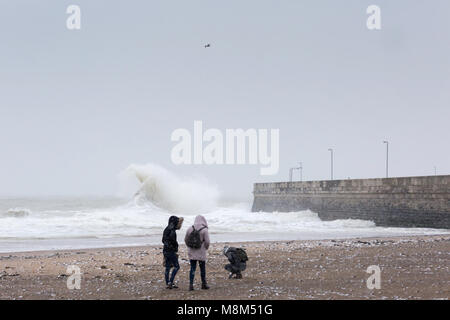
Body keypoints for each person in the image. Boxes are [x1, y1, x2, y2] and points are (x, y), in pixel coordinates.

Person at [184, 215, 210, 291]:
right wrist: (205, 248)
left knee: (192, 268)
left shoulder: (190, 228)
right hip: (201, 252)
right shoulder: (204, 230)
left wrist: (190, 247)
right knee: (202, 269)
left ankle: (191, 285)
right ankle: (203, 284)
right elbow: (207, 242)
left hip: (192, 252)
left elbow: (186, 239)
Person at [162, 216, 183, 289]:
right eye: (178, 222)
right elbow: (172, 241)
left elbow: (163, 240)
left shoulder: (167, 229)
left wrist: (168, 247)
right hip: (170, 251)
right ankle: (170, 282)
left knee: (167, 267)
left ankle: (168, 282)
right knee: (177, 266)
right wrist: (174, 248)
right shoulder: (172, 231)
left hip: (165, 251)